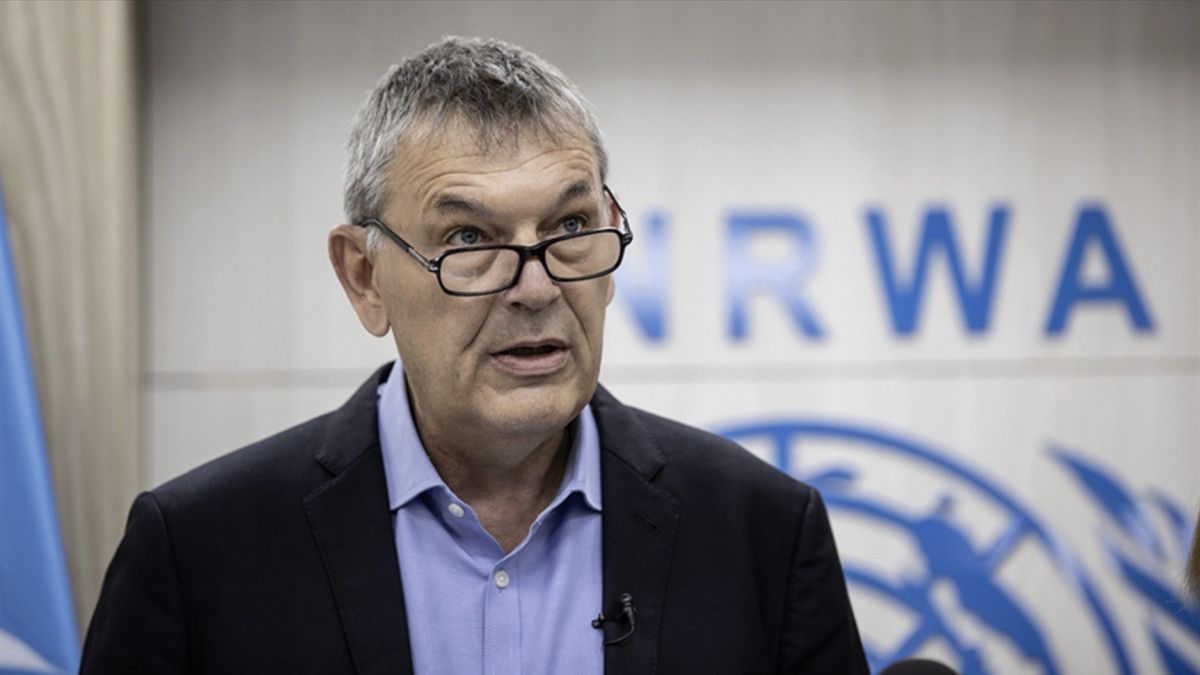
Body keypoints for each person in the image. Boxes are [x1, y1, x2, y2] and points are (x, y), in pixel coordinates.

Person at [80, 37, 868, 674]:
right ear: (365, 278)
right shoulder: (200, 550)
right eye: (468, 237)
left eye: (569, 227)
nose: (537, 287)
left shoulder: (763, 532)